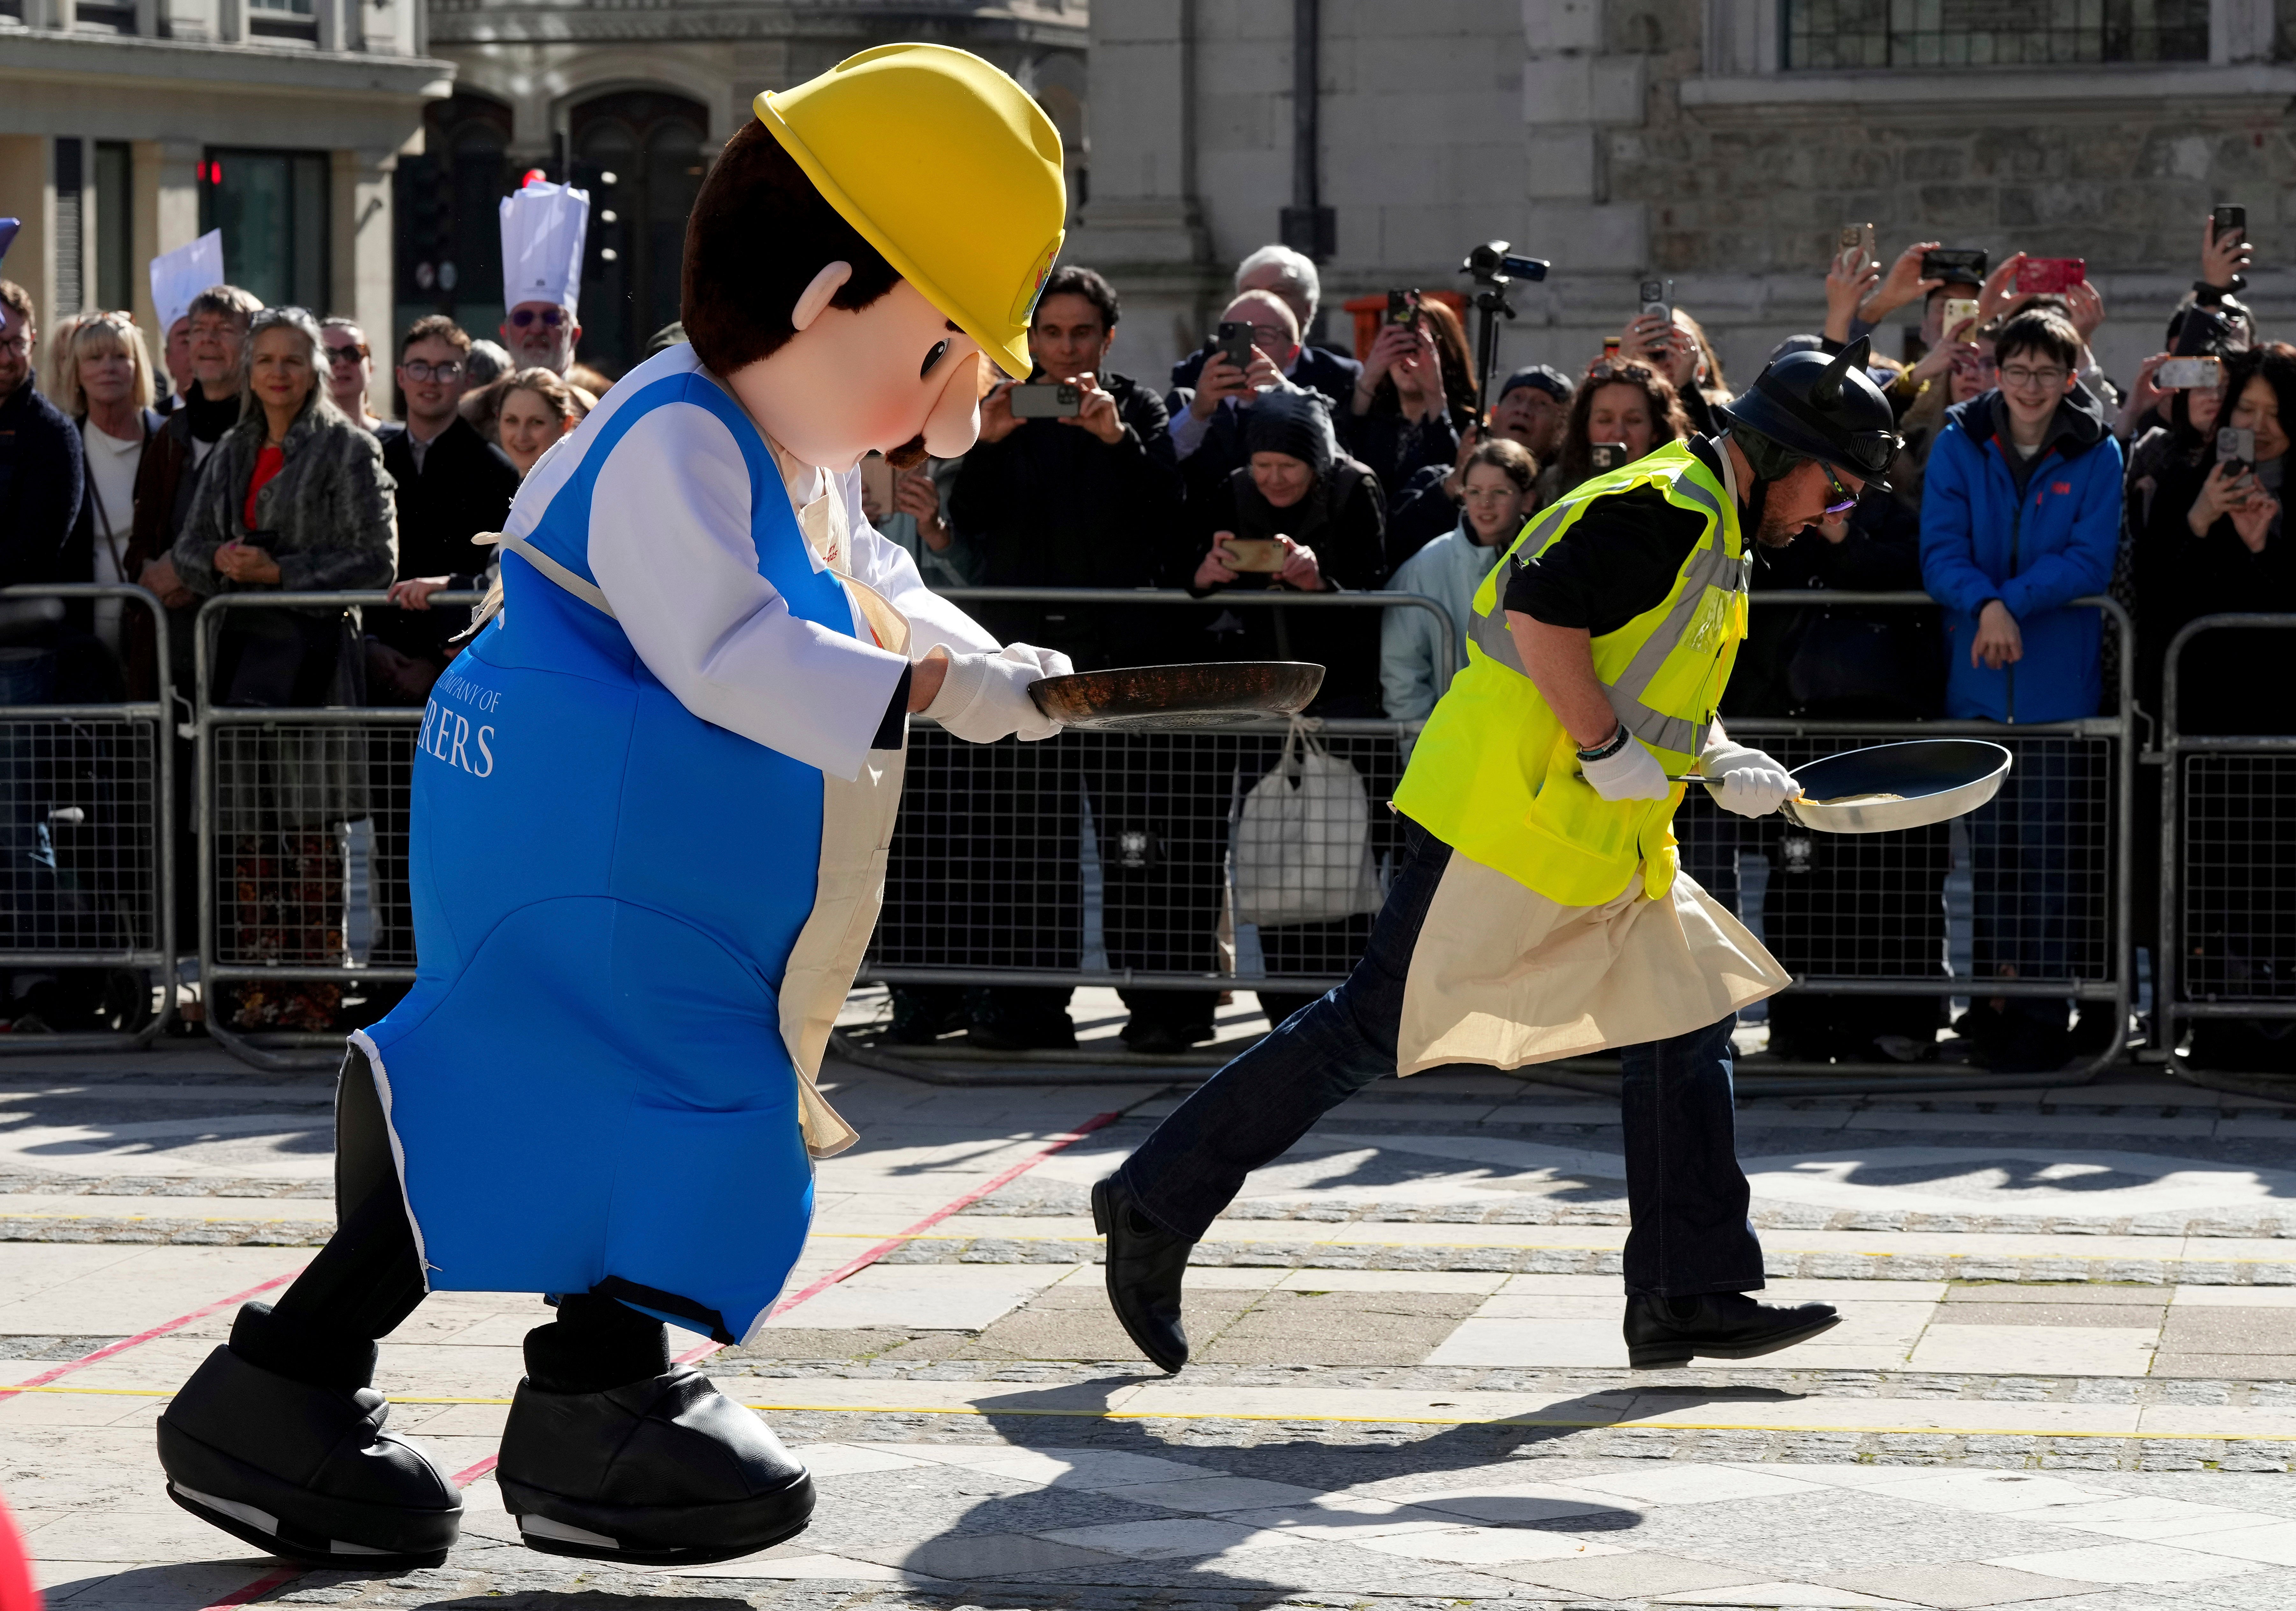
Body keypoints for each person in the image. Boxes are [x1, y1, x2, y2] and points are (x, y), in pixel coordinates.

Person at [154, 44, 1077, 1572]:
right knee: (661, 1105)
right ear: (823, 294)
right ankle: (520, 1393)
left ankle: (522, 1389)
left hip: (624, 857)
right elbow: (722, 648)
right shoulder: (671, 435)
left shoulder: (788, 445)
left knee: (595, 1117)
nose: (932, 411)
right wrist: (919, 696)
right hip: (575, 848)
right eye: (932, 358)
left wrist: (997, 674)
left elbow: (877, 595)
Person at [1095, 340, 1903, 1376]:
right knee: (1367, 1031)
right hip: (1502, 818)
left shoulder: (1708, 520)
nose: (1826, 514)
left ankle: (1685, 1286)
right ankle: (1152, 1197)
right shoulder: (1665, 505)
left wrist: (1712, 750)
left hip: (1588, 834)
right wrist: (1605, 749)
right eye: (1833, 493)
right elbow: (1534, 614)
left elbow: (1635, 670)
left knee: (1685, 1021)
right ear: (1784, 454)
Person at [935, 264, 1189, 1053]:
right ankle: (1024, 1009)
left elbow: (1169, 520)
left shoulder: (1139, 409)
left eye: (1081, 333)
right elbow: (968, 527)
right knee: (1025, 837)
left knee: (1136, 839)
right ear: (1030, 339)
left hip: (1115, 655)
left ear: (1107, 338)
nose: (1065, 349)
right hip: (1021, 657)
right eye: (1050, 333)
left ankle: (1161, 1008)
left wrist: (1117, 441)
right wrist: (990, 441)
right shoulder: (998, 412)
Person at [170, 306, 398, 1035]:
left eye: (292, 359)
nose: (277, 372)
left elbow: (376, 560)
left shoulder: (348, 448)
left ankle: (311, 997)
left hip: (314, 668)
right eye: (264, 358)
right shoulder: (231, 449)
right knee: (245, 835)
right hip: (239, 664)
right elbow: (186, 550)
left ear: (318, 370)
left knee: (307, 837)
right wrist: (221, 561)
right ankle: (249, 993)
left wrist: (282, 571)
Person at [1920, 307, 2122, 1073]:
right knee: (1989, 859)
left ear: (2069, 379)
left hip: (2052, 690)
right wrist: (1984, 605)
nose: (2030, 387)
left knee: (2046, 857)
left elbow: (2086, 559)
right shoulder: (1956, 441)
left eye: (2046, 373)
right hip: (1975, 682)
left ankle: (2038, 1009)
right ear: (1996, 372)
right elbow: (1938, 551)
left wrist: (2013, 602)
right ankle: (1991, 1002)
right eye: (2017, 371)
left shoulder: (2095, 451)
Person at [2128, 342, 2296, 1070]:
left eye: (2272, 414)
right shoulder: (2184, 478)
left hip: (2282, 717)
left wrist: (2268, 547)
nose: (2256, 427)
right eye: (2245, 410)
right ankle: (2217, 1027)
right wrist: (2196, 521)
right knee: (2214, 877)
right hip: (2203, 717)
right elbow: (2153, 598)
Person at [365, 317, 520, 704]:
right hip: (374, 660)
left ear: (467, 380)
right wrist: (369, 646)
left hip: (457, 669)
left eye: (446, 369)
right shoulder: (371, 459)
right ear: (401, 377)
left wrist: (435, 663)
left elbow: (496, 574)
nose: (430, 380)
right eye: (419, 366)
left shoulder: (495, 470)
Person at [1380, 436, 1535, 721]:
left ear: (1527, 499)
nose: (1485, 503)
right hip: (1452, 740)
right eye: (1474, 492)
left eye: (1500, 492)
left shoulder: (1550, 559)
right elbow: (1402, 669)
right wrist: (1420, 745)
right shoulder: (1426, 565)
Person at [57, 312, 163, 667]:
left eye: (121, 356)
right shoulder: (61, 444)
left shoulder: (169, 439)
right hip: (84, 628)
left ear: (138, 366)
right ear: (77, 372)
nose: (109, 368)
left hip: (158, 622)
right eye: (94, 358)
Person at [1386, 365, 1572, 563]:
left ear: (1562, 427)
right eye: (1517, 398)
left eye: (1541, 404)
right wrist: (1456, 482)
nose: (1523, 411)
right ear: (1494, 414)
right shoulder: (1435, 480)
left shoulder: (1568, 493)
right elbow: (1394, 543)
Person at [1168, 243, 1362, 412]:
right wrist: (1198, 412)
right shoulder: (1197, 370)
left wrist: (1287, 396)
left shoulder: (1339, 376)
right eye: (1251, 292)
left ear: (1308, 309)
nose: (1262, 300)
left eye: (1278, 292)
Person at [1341, 295, 1474, 512]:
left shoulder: (1469, 427)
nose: (1409, 354)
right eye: (1400, 341)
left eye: (1422, 343)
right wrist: (1370, 376)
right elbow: (1340, 451)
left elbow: (1450, 474)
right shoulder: (1373, 418)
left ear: (1447, 352)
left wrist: (1434, 394)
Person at [0, 280, 83, 593]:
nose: (8, 358)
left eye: (17, 344)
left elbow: (34, 548)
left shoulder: (52, 433)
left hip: (20, 625)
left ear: (33, 341)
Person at [1167, 288, 1298, 485]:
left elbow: (1332, 464)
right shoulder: (1184, 402)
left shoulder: (1309, 403)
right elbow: (1155, 466)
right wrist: (1197, 413)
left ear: (1292, 353)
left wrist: (1287, 401)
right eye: (1237, 335)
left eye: (1265, 334)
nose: (1251, 346)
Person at [1544, 358, 1690, 502]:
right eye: (1605, 421)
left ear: (1656, 430)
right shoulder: (1554, 487)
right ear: (1585, 427)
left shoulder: (1684, 489)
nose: (1619, 433)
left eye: (1634, 421)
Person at [498, 176, 588, 376]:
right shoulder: (482, 408)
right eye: (523, 318)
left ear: (574, 335)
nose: (537, 329)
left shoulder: (602, 406)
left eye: (552, 318)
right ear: (506, 334)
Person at [319, 318, 386, 432]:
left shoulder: (401, 442)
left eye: (352, 353)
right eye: (329, 354)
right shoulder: (295, 441)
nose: (342, 364)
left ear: (370, 369)